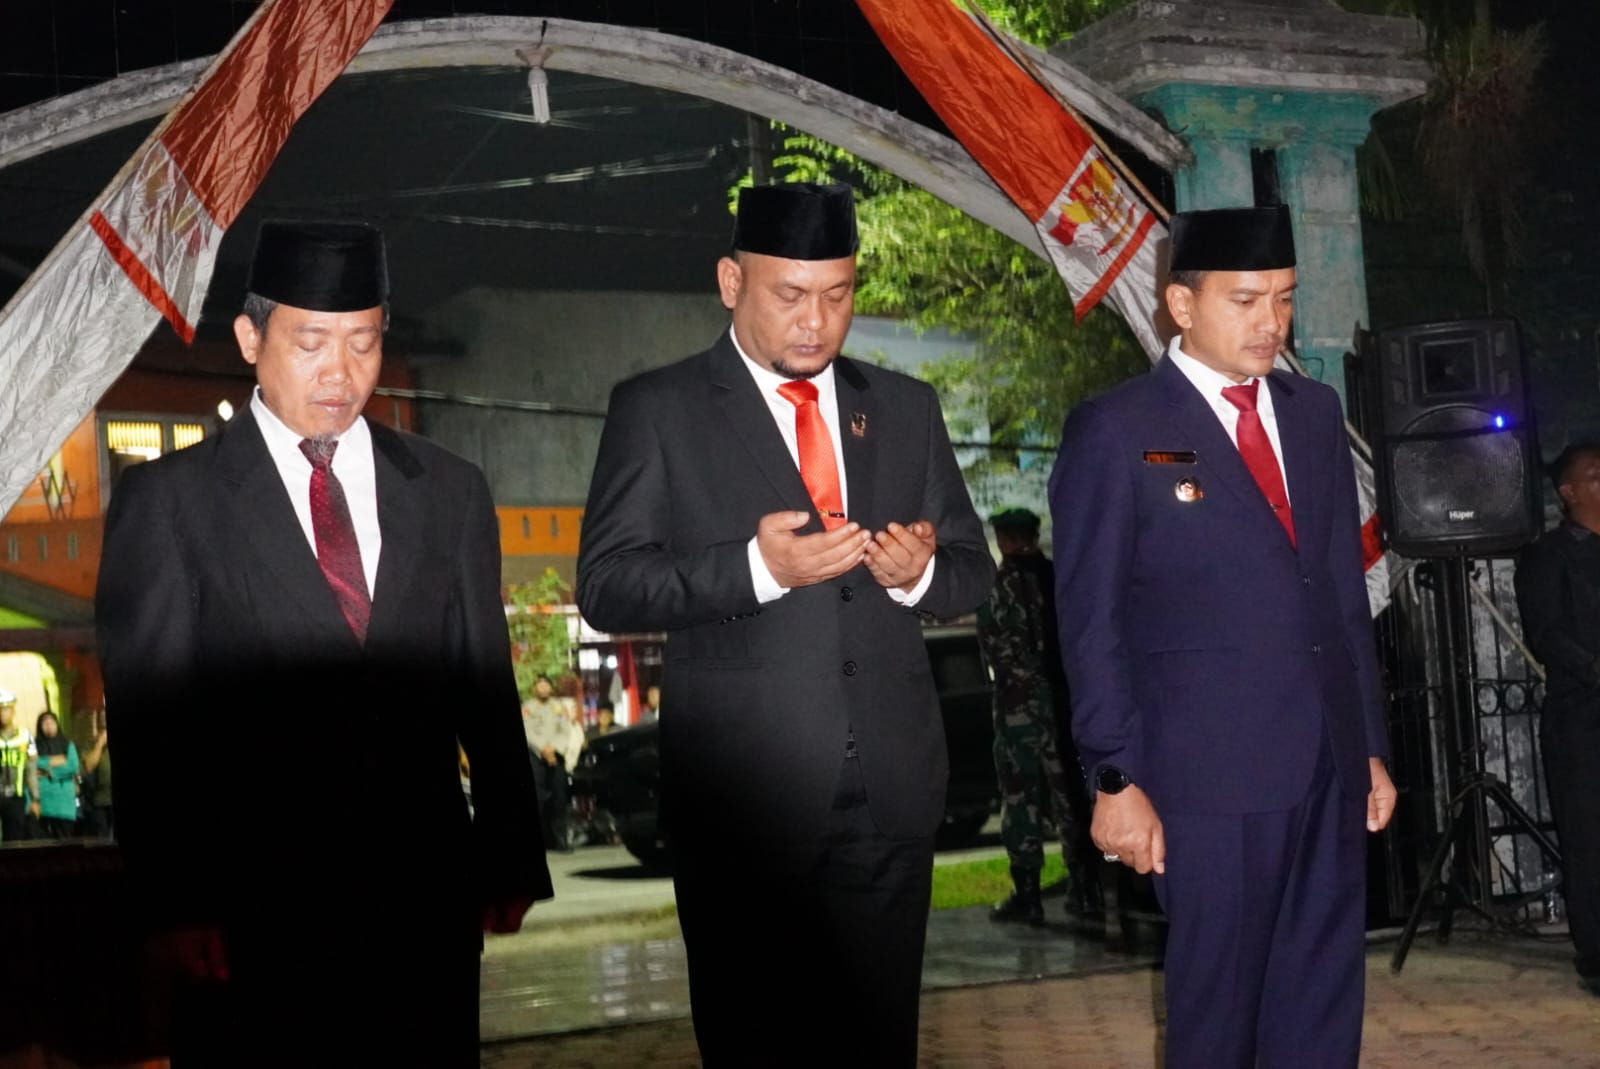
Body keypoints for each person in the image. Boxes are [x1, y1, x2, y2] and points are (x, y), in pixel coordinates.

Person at [95, 220, 551, 1068]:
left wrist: (512, 854)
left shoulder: (448, 492)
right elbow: (150, 723)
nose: (340, 373)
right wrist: (176, 903)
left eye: (363, 343)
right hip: (253, 917)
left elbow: (485, 685)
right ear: (250, 338)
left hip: (423, 905)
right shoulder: (172, 502)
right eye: (310, 343)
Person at [576, 182, 994, 1069]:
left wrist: (920, 574)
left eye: (838, 295)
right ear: (731, 282)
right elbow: (608, 585)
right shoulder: (661, 409)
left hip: (887, 793)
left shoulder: (905, 408)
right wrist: (756, 568)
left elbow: (973, 568)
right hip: (745, 801)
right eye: (791, 295)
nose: (816, 321)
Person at [1049, 205, 1397, 1068]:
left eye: (1283, 298)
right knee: (1218, 1015)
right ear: (1181, 303)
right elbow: (1091, 623)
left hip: (1326, 765)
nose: (1271, 322)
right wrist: (1114, 775)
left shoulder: (1313, 413)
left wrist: (1368, 746)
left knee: (1321, 1010)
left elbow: (1339, 595)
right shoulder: (1118, 429)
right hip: (1203, 780)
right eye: (1245, 300)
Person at [976, 507, 1097, 927]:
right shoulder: (1060, 579)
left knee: (1020, 798)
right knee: (1070, 797)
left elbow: (994, 650)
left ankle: (1028, 893)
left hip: (1018, 709)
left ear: (1005, 539)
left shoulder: (996, 585)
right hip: (1064, 706)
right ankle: (1087, 887)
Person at [1514, 442, 1600, 997]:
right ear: (1569, 492)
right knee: (1590, 839)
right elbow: (1547, 634)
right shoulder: (1549, 556)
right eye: (1597, 474)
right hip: (1583, 719)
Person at [522, 673, 585, 850]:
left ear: (551, 688)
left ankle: (561, 839)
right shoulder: (527, 708)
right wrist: (543, 749)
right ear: (534, 688)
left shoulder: (559, 707)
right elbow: (527, 731)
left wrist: (554, 749)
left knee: (559, 798)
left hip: (556, 756)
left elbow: (565, 730)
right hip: (535, 757)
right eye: (540, 685)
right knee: (537, 800)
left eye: (546, 684)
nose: (543, 687)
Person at [25, 711, 79, 839]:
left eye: (51, 722)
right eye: (45, 723)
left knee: (65, 842)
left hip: (64, 804)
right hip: (41, 802)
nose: (48, 725)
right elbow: (31, 766)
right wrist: (55, 760)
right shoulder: (33, 746)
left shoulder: (67, 744)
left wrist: (48, 771)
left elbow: (73, 766)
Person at [0, 691, 31, 843]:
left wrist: (35, 798)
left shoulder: (25, 735)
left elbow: (31, 768)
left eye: (6, 709)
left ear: (13, 711)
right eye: (0, 709)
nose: (2, 713)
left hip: (16, 797)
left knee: (14, 840)